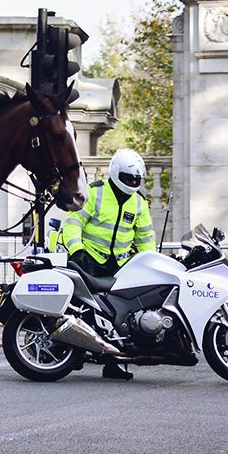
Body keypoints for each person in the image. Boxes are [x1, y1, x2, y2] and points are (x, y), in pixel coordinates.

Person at [61, 149, 155, 381]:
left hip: (121, 265)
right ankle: (73, 351)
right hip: (89, 260)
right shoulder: (95, 193)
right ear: (115, 173)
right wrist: (77, 250)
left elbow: (145, 239)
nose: (132, 182)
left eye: (136, 179)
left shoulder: (139, 203)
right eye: (128, 178)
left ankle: (115, 363)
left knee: (120, 315)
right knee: (82, 310)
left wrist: (152, 264)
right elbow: (73, 223)